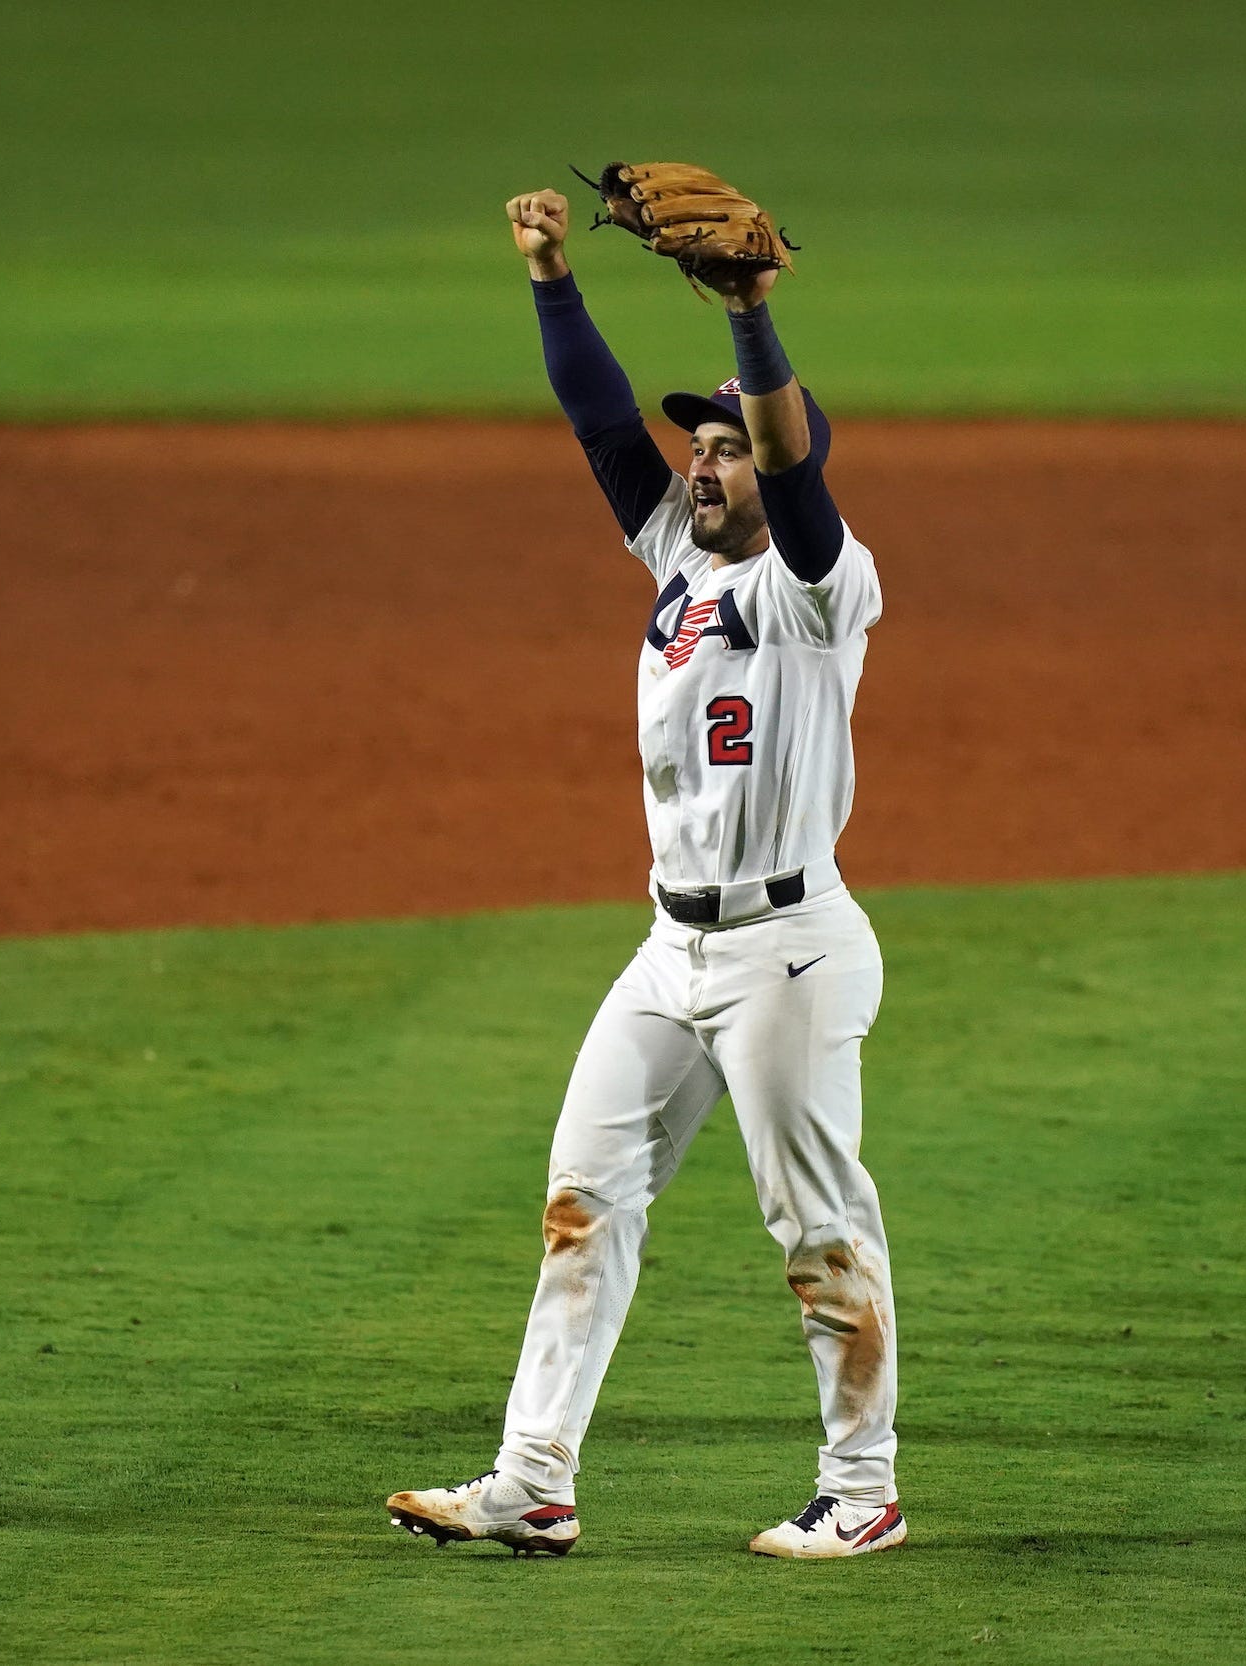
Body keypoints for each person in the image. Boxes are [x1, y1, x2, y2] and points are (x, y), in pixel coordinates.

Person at [384, 187, 905, 1560]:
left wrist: (751, 313)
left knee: (816, 1230)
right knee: (581, 1201)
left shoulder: (816, 579)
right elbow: (602, 425)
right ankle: (531, 1479)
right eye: (701, 444)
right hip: (669, 951)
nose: (701, 463)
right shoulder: (672, 549)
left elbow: (797, 479)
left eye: (727, 446)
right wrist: (552, 277)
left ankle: (862, 1491)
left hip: (787, 953)